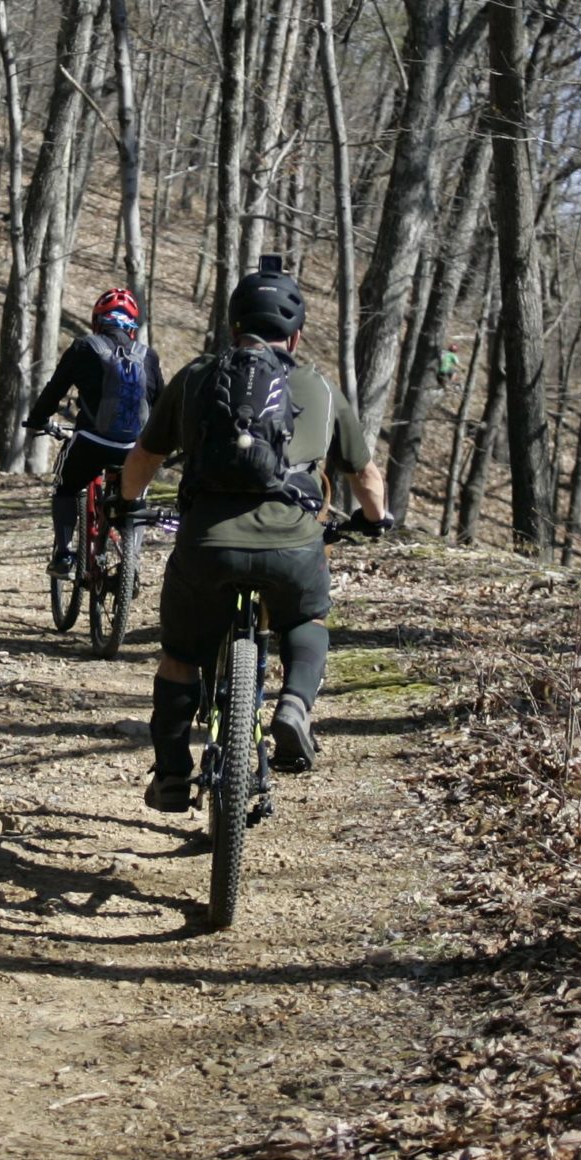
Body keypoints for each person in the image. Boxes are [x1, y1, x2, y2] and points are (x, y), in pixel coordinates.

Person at [112, 258, 388, 809]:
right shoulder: (320, 388)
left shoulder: (195, 378)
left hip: (206, 546)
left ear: (233, 324)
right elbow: (365, 474)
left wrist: (127, 508)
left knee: (179, 657)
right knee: (307, 619)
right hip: (293, 545)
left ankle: (170, 774)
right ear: (297, 331)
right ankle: (294, 705)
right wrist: (375, 521)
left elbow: (144, 456)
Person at [22, 286, 164, 579]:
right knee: (134, 501)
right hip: (133, 449)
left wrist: (37, 420)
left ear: (98, 321)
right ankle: (131, 565)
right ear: (132, 326)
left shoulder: (84, 347)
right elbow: (160, 404)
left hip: (90, 442)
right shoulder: (147, 356)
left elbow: (54, 391)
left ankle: (64, 555)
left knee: (65, 487)